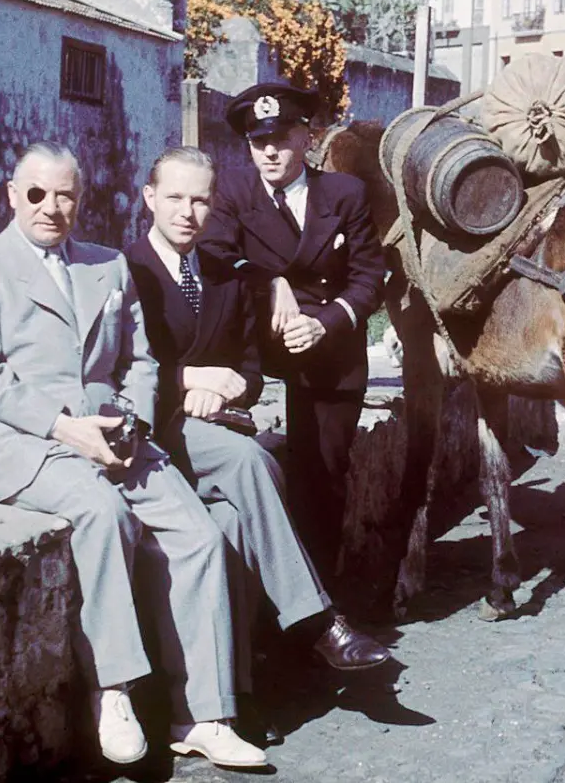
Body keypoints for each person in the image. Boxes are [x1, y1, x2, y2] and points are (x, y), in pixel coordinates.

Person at [0, 142, 265, 770]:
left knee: (197, 533)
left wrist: (132, 419)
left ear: (80, 199)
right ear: (11, 195)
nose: (51, 207)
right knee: (103, 515)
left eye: (66, 195)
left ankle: (204, 715)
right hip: (28, 443)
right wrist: (65, 429)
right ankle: (113, 691)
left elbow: (139, 360)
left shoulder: (106, 265)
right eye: (37, 193)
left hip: (115, 436)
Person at [125, 146, 389, 718]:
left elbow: (248, 371)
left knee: (233, 518)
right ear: (149, 199)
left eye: (199, 200)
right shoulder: (125, 272)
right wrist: (188, 381)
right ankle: (319, 622)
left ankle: (231, 698)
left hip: (210, 428)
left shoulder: (223, 278)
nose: (187, 212)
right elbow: (116, 366)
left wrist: (226, 390)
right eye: (174, 198)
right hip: (150, 431)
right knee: (252, 464)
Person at [198, 81, 384, 594]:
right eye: (260, 143)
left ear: (307, 137)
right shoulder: (235, 193)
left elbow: (371, 277)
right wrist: (270, 280)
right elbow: (213, 254)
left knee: (323, 477)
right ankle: (264, 599)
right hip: (258, 355)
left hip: (331, 356)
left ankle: (323, 599)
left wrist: (328, 321)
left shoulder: (345, 195)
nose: (271, 152)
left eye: (281, 138)